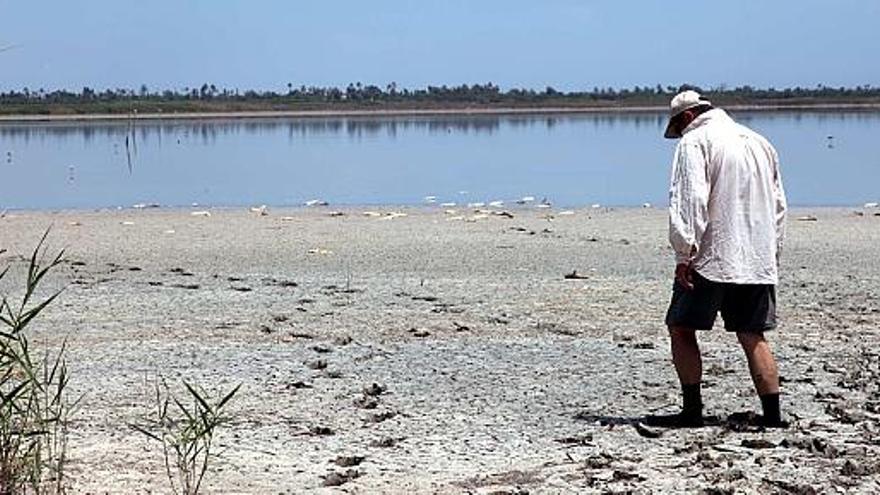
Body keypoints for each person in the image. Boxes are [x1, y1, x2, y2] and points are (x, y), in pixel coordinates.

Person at [647, 90, 788, 428]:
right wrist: (773, 252)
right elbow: (779, 206)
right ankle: (772, 417)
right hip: (756, 255)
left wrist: (684, 253)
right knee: (753, 333)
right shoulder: (759, 142)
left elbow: (690, 199)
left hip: (711, 254)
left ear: (685, 118)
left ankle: (692, 411)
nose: (678, 135)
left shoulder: (694, 141)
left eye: (678, 127)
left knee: (680, 327)